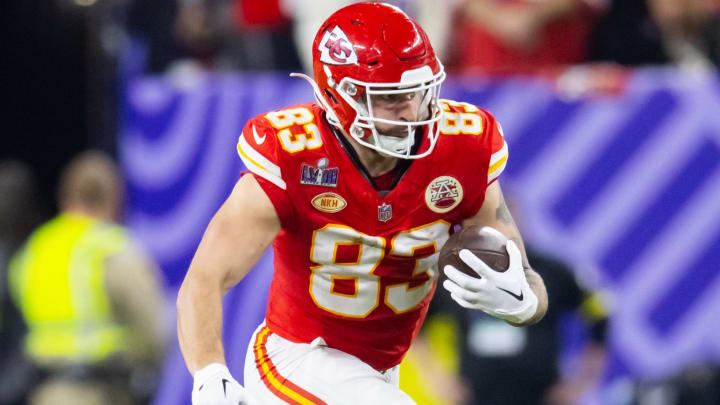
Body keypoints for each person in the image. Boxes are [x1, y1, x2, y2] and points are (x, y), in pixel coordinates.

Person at [177, 3, 548, 404]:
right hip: (296, 358)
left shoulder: (462, 150)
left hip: (379, 373)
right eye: (390, 99)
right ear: (341, 97)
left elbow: (527, 275)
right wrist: (209, 373)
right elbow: (204, 279)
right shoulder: (294, 154)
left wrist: (524, 304)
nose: (412, 111)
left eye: (417, 93)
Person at [8, 151, 166, 405]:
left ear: (64, 195)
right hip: (100, 392)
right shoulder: (110, 248)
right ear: (113, 198)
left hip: (45, 393)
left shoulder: (34, 249)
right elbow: (152, 328)